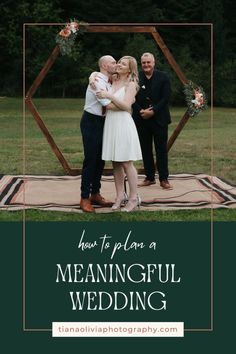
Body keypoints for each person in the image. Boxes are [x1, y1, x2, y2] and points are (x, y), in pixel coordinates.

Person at [96, 56, 142, 212]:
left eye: (123, 64)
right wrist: (91, 78)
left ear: (129, 69)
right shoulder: (112, 79)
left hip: (123, 124)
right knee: (115, 162)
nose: (119, 65)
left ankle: (134, 197)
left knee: (126, 162)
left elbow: (127, 105)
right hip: (111, 123)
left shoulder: (131, 84)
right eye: (119, 62)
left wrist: (109, 97)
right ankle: (120, 195)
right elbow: (95, 76)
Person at [80, 55, 117, 213]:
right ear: (104, 65)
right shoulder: (95, 81)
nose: (115, 65)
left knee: (101, 160)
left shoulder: (110, 81)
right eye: (113, 62)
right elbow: (106, 103)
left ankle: (95, 193)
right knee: (91, 160)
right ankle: (84, 197)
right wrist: (126, 106)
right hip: (91, 121)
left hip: (104, 122)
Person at [132, 52, 172, 189]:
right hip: (141, 119)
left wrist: (153, 111)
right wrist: (140, 111)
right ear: (141, 63)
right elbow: (130, 97)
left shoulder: (163, 77)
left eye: (148, 62)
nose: (146, 65)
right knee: (145, 149)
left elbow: (166, 98)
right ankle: (149, 177)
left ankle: (164, 179)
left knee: (161, 150)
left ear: (154, 63)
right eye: (143, 62)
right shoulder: (135, 77)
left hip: (159, 119)